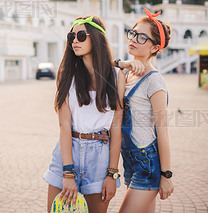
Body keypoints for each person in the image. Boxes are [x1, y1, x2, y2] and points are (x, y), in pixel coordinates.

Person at [42, 15, 143, 213]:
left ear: (96, 38)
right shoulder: (66, 74)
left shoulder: (117, 76)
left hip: (100, 157)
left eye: (81, 35)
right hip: (66, 156)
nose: (75, 41)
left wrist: (112, 173)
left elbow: (116, 126)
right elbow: (64, 126)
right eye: (72, 36)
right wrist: (68, 174)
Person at [119, 8, 174, 213]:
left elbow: (163, 130)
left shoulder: (154, 80)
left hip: (147, 162)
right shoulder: (126, 73)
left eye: (143, 37)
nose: (134, 39)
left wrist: (166, 175)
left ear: (155, 47)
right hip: (131, 161)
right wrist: (123, 64)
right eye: (133, 33)